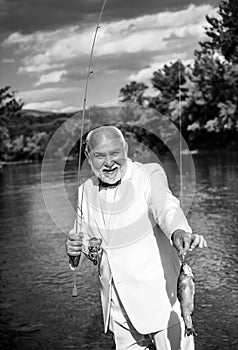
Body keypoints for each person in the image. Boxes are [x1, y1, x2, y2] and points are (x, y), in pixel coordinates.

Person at [65, 126, 207, 350]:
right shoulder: (85, 190)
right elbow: (86, 244)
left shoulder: (149, 173)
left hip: (161, 301)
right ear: (88, 157)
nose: (109, 162)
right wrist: (74, 252)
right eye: (100, 155)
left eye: (115, 153)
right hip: (117, 308)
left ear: (126, 149)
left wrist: (178, 230)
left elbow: (165, 206)